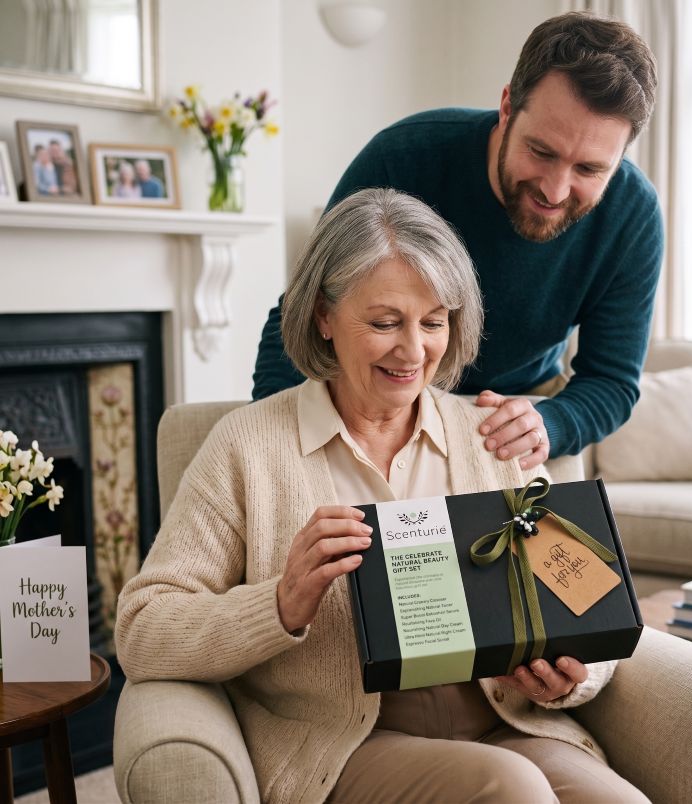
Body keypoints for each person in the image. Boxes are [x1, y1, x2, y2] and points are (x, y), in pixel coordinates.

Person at [116, 189, 648, 803]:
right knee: (512, 789)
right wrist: (280, 604)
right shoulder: (248, 446)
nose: (413, 350)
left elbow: (590, 596)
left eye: (433, 322)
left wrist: (571, 677)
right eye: (384, 322)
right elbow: (142, 629)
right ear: (322, 316)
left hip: (509, 722)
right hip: (349, 743)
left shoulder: (487, 437)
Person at [252, 11, 663, 471]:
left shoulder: (633, 215)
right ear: (507, 107)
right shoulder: (404, 158)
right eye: (541, 152)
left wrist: (552, 424)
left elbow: (611, 381)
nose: (555, 190)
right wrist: (278, 447)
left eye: (589, 169)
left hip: (517, 414)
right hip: (376, 404)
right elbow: (305, 311)